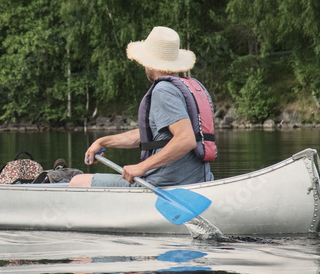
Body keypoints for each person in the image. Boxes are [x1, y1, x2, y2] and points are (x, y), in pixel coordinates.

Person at [70, 26, 215, 188]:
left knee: (77, 182)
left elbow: (186, 139)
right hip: (201, 181)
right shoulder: (191, 88)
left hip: (165, 184)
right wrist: (103, 141)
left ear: (149, 62)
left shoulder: (163, 90)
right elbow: (149, 135)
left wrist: (142, 167)